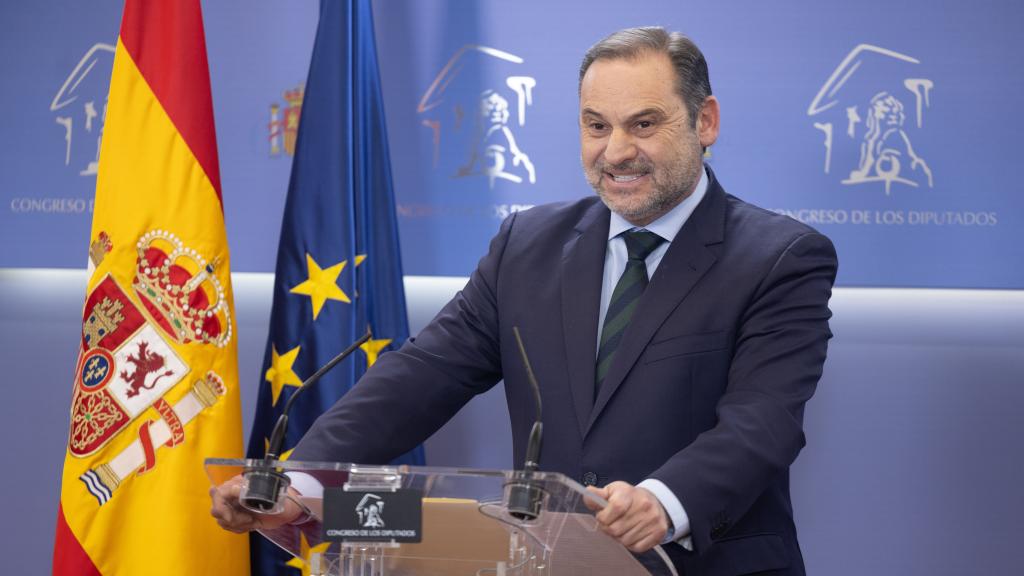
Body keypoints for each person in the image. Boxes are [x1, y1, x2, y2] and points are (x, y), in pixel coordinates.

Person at [212, 26, 837, 575]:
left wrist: (662, 500)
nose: (615, 151)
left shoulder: (781, 258)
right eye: (596, 126)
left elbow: (763, 422)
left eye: (644, 123)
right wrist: (298, 480)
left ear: (705, 122)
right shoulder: (528, 244)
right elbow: (425, 373)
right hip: (545, 561)